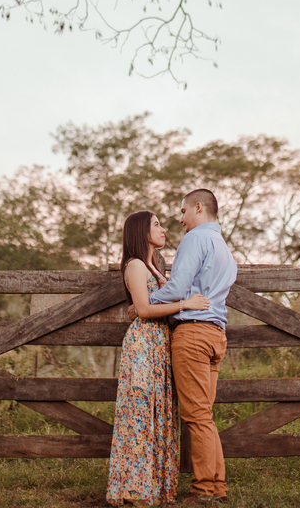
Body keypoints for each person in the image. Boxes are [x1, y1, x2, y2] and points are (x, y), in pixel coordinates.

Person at [107, 210, 210, 506]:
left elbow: (146, 304)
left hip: (160, 345)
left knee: (159, 412)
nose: (163, 229)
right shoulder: (136, 265)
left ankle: (153, 487)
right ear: (142, 231)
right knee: (140, 413)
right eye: (156, 224)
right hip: (143, 346)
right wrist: (185, 303)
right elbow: (143, 311)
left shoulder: (153, 267)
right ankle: (134, 490)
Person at [149, 189, 238, 504]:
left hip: (194, 334)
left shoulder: (195, 240)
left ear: (199, 207)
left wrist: (144, 303)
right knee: (206, 415)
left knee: (197, 416)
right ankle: (218, 487)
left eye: (183, 211)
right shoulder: (223, 247)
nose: (181, 218)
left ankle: (202, 490)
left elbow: (177, 288)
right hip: (217, 335)